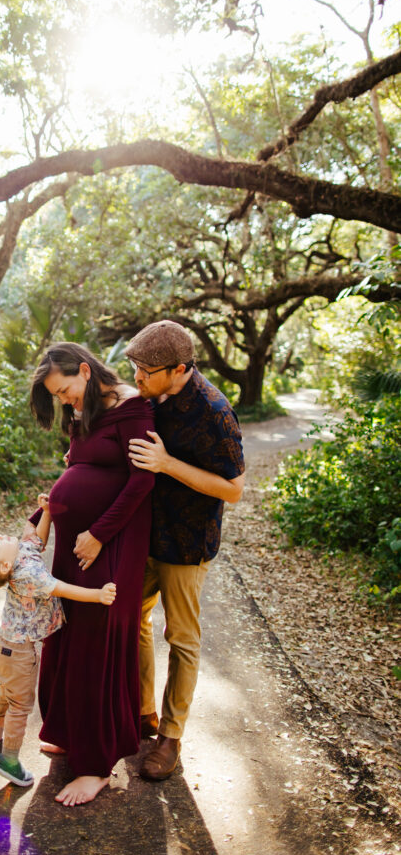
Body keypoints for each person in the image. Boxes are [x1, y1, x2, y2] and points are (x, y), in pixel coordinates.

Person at [29, 342, 154, 806]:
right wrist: (45, 513)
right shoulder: (86, 410)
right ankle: (67, 730)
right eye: (58, 396)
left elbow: (142, 481)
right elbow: (79, 468)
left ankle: (97, 764)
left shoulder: (132, 407)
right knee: (67, 629)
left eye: (65, 390)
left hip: (113, 541)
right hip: (75, 542)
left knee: (97, 638)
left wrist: (99, 533)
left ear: (85, 370)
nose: (65, 401)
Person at [126, 320, 245, 781]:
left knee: (182, 638)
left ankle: (171, 737)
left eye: (146, 371)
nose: (137, 378)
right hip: (145, 534)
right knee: (130, 618)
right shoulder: (149, 394)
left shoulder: (215, 411)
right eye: (133, 367)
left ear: (178, 370)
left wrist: (168, 464)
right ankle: (142, 714)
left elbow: (233, 490)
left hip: (187, 541)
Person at [0, 495, 117, 788]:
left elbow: (35, 539)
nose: (0, 535)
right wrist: (97, 595)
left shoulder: (20, 555)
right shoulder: (28, 575)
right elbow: (61, 588)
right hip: (19, 652)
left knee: (6, 691)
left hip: (5, 646)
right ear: (5, 565)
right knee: (20, 705)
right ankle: (9, 760)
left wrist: (45, 512)